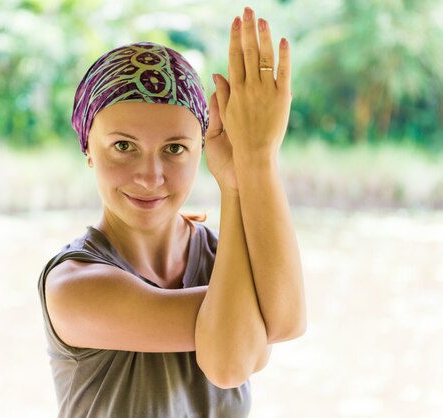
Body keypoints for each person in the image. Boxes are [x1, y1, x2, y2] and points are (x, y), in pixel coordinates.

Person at [37, 6, 307, 417]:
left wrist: (253, 161)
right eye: (123, 146)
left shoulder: (223, 256)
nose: (150, 176)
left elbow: (288, 322)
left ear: (202, 148)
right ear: (88, 148)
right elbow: (231, 361)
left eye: (174, 148)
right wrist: (238, 183)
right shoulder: (75, 285)